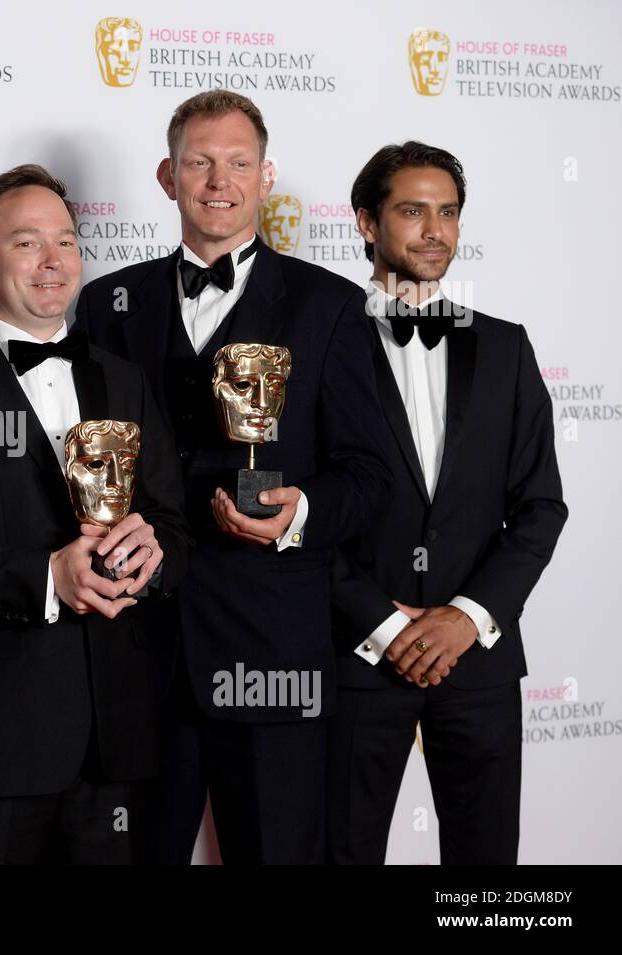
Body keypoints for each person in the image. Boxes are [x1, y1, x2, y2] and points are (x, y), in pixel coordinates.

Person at [73, 89, 392, 863]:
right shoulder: (106, 303)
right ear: (166, 175)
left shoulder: (333, 307)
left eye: (238, 163)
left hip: (272, 650)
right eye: (200, 162)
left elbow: (372, 474)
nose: (220, 180)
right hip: (134, 647)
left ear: (266, 175)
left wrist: (301, 513)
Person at [0, 164, 190, 864]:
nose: (54, 262)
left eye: (67, 242)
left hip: (116, 743)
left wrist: (154, 552)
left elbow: (175, 524)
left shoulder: (123, 378)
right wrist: (48, 576)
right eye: (27, 243)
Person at [328, 142, 567, 864]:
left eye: (448, 212)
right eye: (411, 211)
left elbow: (541, 507)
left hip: (481, 662)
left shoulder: (507, 348)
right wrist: (379, 622)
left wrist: (466, 617)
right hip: (355, 659)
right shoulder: (317, 346)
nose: (434, 230)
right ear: (367, 223)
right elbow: (298, 512)